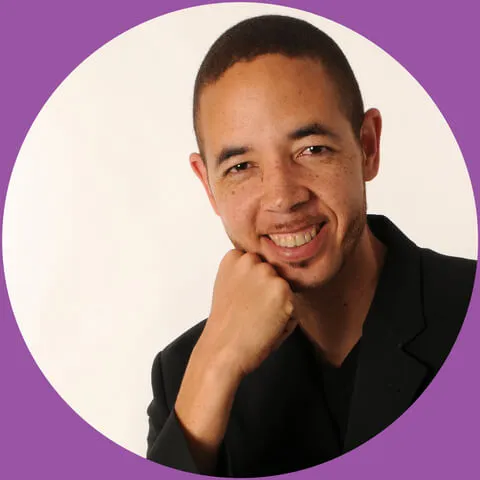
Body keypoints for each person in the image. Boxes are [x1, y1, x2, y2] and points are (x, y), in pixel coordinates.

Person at [146, 14, 476, 477]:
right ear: (208, 186)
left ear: (367, 146)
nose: (283, 197)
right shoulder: (184, 375)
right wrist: (216, 368)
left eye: (312, 149)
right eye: (240, 166)